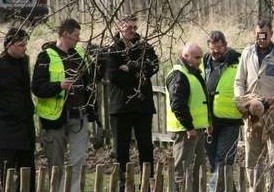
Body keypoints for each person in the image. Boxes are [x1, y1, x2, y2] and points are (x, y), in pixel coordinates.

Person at [32, 18, 95, 192]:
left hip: (79, 116)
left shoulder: (79, 54)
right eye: (76, 35)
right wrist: (59, 86)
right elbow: (37, 87)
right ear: (65, 34)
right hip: (55, 119)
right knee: (56, 162)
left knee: (78, 160)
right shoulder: (46, 56)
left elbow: (91, 80)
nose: (78, 38)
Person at [234, 19, 274, 192]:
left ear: (271, 34)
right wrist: (243, 101)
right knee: (252, 155)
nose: (261, 38)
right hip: (253, 113)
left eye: (265, 34)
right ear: (255, 34)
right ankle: (255, 188)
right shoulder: (247, 53)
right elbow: (239, 81)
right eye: (258, 34)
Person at [106, 15, 159, 191]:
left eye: (135, 27)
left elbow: (154, 65)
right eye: (129, 27)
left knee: (146, 148)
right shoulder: (113, 49)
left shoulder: (144, 46)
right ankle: (123, 186)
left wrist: (131, 67)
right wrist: (139, 75)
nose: (132, 31)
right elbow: (114, 76)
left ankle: (148, 185)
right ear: (120, 27)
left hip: (142, 105)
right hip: (121, 106)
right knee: (121, 150)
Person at [202, 30, 242, 192]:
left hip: (229, 120)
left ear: (225, 46)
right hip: (208, 121)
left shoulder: (236, 62)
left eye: (219, 48)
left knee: (223, 160)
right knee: (214, 162)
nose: (216, 51)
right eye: (212, 48)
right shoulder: (203, 62)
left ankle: (213, 190)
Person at [166, 43, 209, 192]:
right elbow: (177, 104)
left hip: (195, 130)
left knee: (198, 169)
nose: (200, 60)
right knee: (182, 170)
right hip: (185, 132)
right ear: (186, 56)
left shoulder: (192, 72)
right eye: (197, 57)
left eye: (201, 57)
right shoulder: (179, 75)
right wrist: (189, 127)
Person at [0, 28, 35, 192]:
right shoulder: (1, 65)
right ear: (9, 45)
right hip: (6, 127)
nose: (25, 48)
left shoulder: (24, 61)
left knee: (27, 172)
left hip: (25, 124)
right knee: (7, 171)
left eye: (25, 44)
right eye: (21, 45)